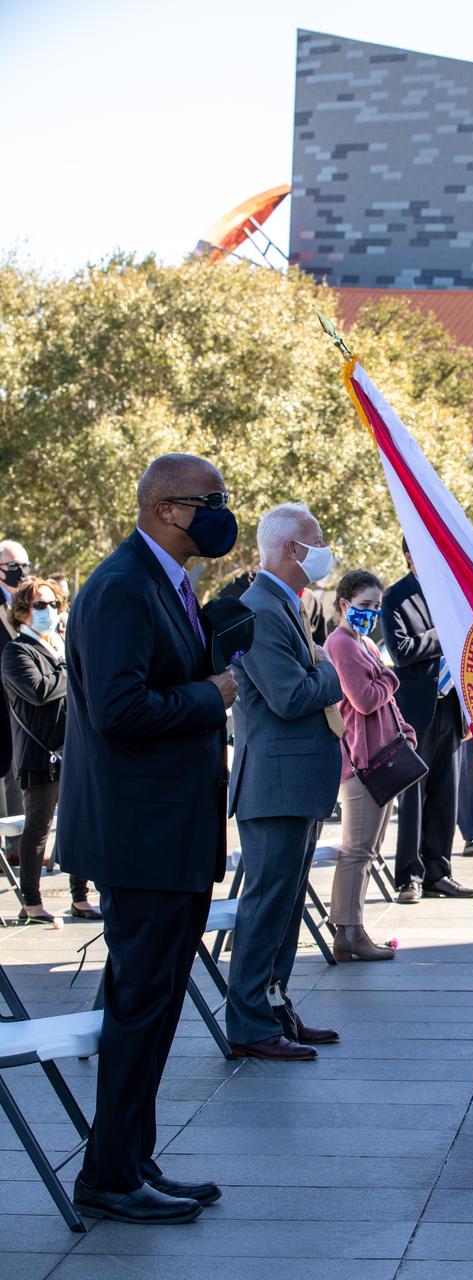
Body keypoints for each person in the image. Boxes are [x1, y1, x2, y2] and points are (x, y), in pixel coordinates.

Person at [57, 453, 239, 1225]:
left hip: (171, 829)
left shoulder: (166, 581)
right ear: (169, 508)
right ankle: (108, 1173)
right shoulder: (123, 587)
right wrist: (215, 692)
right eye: (213, 501)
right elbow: (120, 711)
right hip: (142, 836)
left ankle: (130, 1155)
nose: (224, 514)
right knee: (139, 1001)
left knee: (157, 1001)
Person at [226, 503, 343, 1059]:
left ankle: (273, 1007)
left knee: (286, 903)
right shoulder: (261, 608)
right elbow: (291, 694)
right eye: (314, 540)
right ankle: (249, 1023)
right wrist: (331, 671)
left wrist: (319, 665)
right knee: (266, 903)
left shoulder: (284, 604)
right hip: (274, 784)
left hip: (293, 781)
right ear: (290, 548)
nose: (321, 549)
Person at [325, 569, 415, 960]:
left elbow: (381, 701)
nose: (372, 613)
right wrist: (391, 679)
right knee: (357, 850)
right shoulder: (343, 643)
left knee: (366, 849)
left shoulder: (361, 642)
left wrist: (402, 729)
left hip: (380, 757)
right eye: (364, 606)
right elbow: (363, 699)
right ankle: (348, 932)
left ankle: (352, 931)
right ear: (344, 604)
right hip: (362, 763)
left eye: (376, 607)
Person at [381, 538, 473, 904]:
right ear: (409, 555)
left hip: (450, 707)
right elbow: (401, 651)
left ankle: (440, 871)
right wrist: (444, 633)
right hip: (415, 710)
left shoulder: (448, 591)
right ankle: (409, 877)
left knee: (445, 793)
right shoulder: (396, 597)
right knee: (413, 796)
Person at [1, 577, 99, 923]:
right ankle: (31, 901)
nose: (49, 612)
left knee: (80, 822)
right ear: (24, 613)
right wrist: (71, 668)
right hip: (39, 754)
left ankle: (80, 896)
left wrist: (68, 664)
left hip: (74, 748)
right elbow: (39, 690)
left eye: (54, 604)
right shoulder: (17, 651)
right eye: (40, 605)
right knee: (38, 827)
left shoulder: (61, 644)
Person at [0, 541, 31, 841]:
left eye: (24, 566)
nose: (20, 572)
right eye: (13, 566)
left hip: (24, 703)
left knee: (18, 770)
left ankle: (19, 841)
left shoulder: (31, 603)